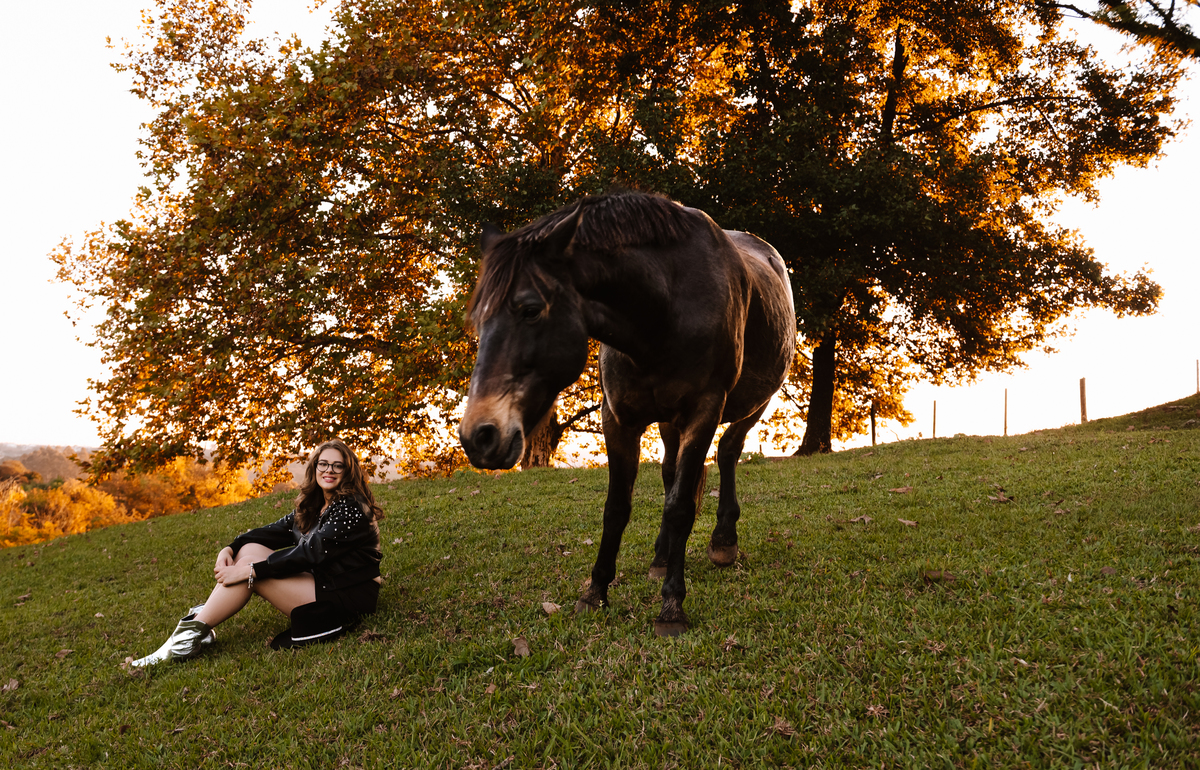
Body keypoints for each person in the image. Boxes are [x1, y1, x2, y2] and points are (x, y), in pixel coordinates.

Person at [130, 439, 385, 666]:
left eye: (337, 466)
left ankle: (185, 639)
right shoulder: (316, 504)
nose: (329, 470)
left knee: (251, 565)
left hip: (347, 595)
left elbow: (310, 554)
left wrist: (250, 570)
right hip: (324, 581)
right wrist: (230, 547)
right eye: (323, 464)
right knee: (249, 549)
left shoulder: (352, 507)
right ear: (315, 467)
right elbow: (271, 532)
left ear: (348, 471)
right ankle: (197, 629)